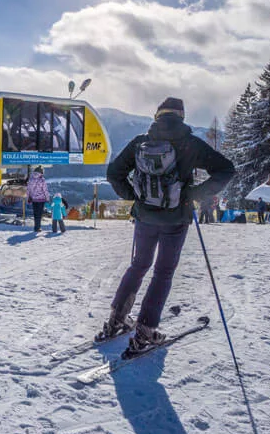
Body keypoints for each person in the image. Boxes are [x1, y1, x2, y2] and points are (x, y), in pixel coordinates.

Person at [98, 97, 235, 353]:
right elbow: (226, 170)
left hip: (144, 217)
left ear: (157, 115)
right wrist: (195, 194)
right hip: (176, 218)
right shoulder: (190, 144)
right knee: (163, 272)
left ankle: (116, 320)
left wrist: (133, 195)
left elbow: (114, 173)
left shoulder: (140, 142)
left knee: (138, 265)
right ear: (181, 117)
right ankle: (145, 331)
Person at [26, 166, 50, 232]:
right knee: (39, 214)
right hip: (41, 199)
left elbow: (28, 190)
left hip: (34, 199)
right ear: (41, 172)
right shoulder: (42, 179)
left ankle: (36, 227)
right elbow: (45, 190)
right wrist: (47, 198)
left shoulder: (31, 179)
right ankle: (38, 228)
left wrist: (28, 198)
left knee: (35, 214)